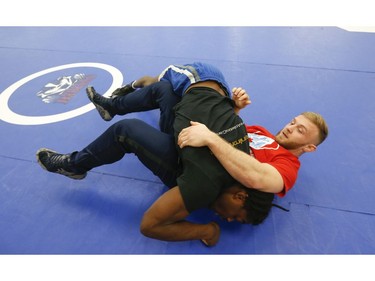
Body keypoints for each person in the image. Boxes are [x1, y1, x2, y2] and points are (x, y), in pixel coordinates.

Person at [37, 62, 274, 246]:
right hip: (186, 132)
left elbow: (149, 226)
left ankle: (75, 166)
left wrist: (208, 230)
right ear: (241, 196)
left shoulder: (206, 186)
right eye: (237, 217)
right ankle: (111, 106)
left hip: (180, 158)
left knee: (125, 130)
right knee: (163, 89)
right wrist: (235, 108)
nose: (229, 220)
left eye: (236, 221)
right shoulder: (243, 163)